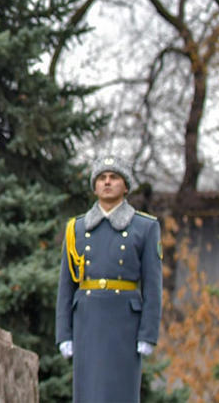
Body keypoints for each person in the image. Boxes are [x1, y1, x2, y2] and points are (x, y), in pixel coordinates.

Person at [55, 157, 162, 402]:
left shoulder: (144, 227)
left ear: (126, 186)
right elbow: (66, 286)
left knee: (120, 392)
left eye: (114, 177)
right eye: (102, 178)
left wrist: (148, 333)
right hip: (87, 321)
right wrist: (64, 333)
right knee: (88, 393)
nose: (107, 183)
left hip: (125, 323)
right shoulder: (77, 228)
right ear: (94, 187)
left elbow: (153, 286)